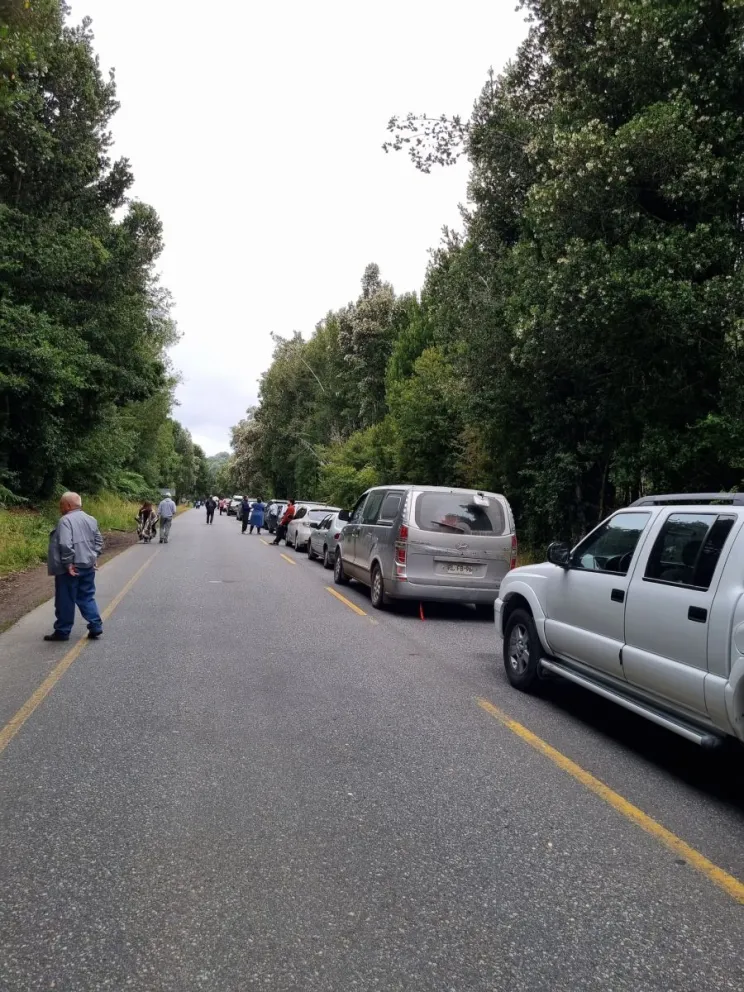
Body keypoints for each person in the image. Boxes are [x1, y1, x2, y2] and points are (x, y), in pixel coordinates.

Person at [44, 492, 104, 642]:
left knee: (65, 599)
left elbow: (65, 543)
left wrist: (68, 563)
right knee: (86, 596)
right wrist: (93, 556)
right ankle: (96, 625)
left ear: (68, 505)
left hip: (71, 568)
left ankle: (62, 631)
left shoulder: (65, 520)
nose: (60, 508)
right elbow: (98, 541)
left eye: (61, 505)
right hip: (88, 566)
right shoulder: (91, 519)